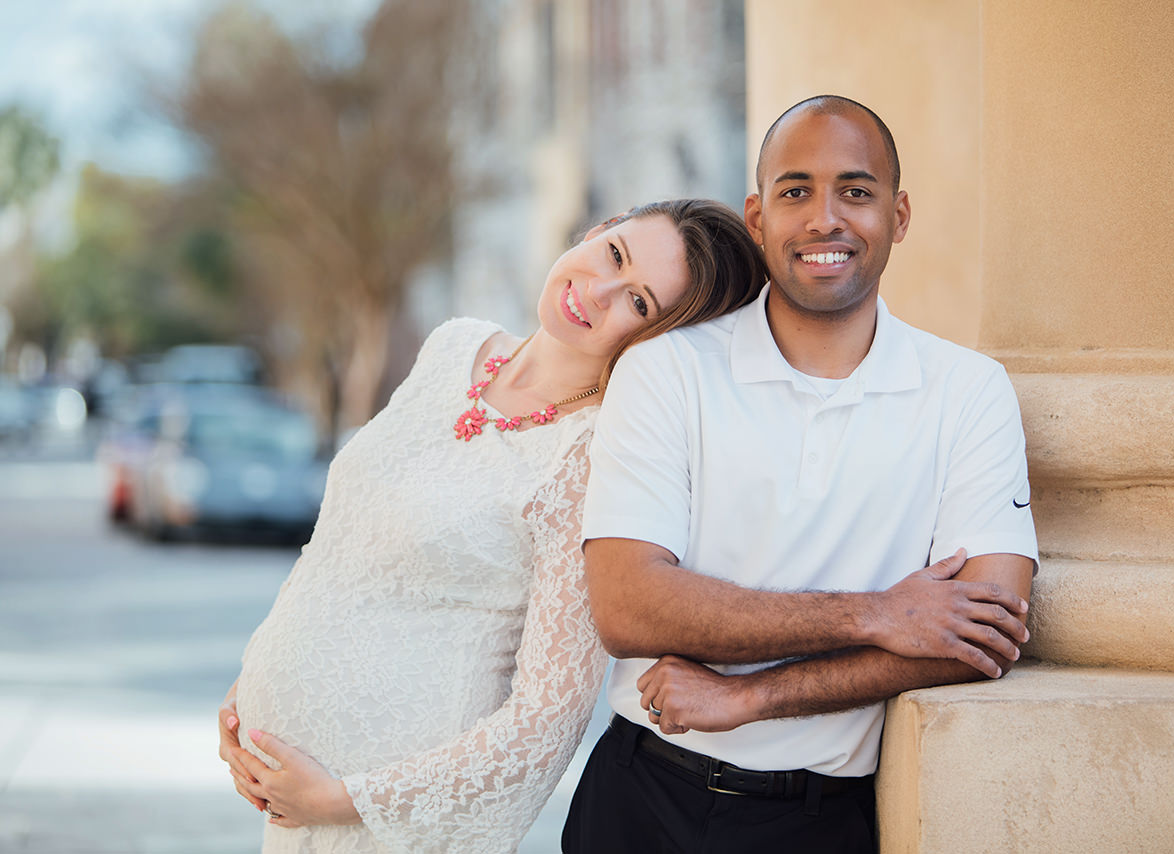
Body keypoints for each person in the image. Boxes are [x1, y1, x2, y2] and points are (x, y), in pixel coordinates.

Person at [215, 197, 768, 854]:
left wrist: (344, 802)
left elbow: (546, 721)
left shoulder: (594, 457)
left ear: (658, 340)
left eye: (639, 303)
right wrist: (247, 688)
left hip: (384, 821)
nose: (596, 291)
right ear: (599, 228)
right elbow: (340, 545)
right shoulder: (453, 347)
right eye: (613, 254)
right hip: (294, 804)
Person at [562, 95, 1039, 853]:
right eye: (796, 192)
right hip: (640, 799)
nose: (825, 219)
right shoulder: (667, 371)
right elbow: (627, 606)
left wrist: (748, 696)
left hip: (821, 821)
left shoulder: (968, 390)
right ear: (757, 219)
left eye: (856, 191)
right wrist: (874, 615)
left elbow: (983, 633)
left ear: (899, 214)